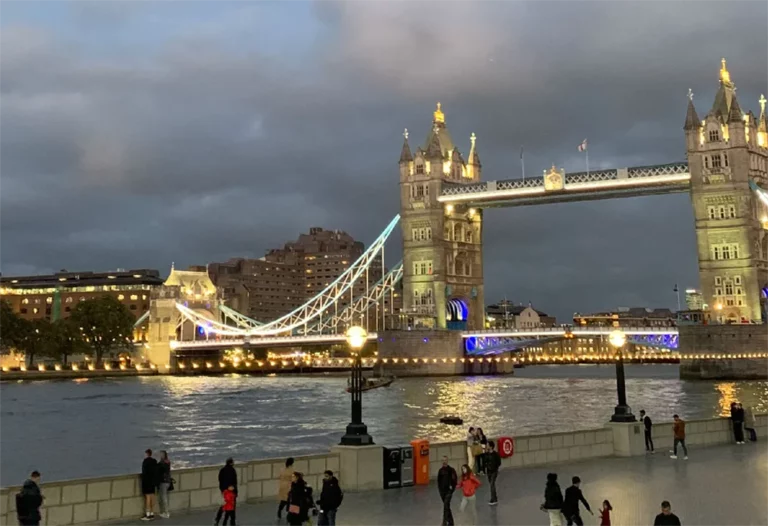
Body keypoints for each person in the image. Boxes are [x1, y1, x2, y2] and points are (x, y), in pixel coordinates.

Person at [214, 458, 238, 526]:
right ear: (231, 463)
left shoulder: (222, 470)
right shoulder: (232, 470)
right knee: (231, 509)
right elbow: (234, 482)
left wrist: (222, 490)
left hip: (224, 492)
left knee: (223, 507)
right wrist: (235, 492)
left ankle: (217, 520)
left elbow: (220, 480)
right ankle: (231, 523)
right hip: (231, 493)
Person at [437, 456, 458, 526]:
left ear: (447, 461)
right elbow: (439, 481)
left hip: (449, 492)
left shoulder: (451, 470)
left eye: (445, 460)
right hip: (442, 492)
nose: (444, 461)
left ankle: (444, 522)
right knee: (447, 506)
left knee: (446, 506)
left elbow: (455, 480)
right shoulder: (440, 471)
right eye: (443, 460)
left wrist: (452, 489)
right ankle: (451, 522)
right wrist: (440, 491)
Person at [140, 449, 158, 521]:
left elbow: (144, 472)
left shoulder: (145, 462)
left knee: (147, 498)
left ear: (147, 454)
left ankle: (147, 514)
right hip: (153, 482)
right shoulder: (154, 461)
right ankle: (152, 513)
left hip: (147, 482)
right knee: (152, 497)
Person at [485, 440, 501, 505]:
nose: (486, 446)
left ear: (491, 446)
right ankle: (495, 498)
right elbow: (485, 461)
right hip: (489, 471)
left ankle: (493, 499)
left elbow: (499, 462)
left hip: (494, 471)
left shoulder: (496, 454)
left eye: (488, 445)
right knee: (492, 485)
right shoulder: (486, 454)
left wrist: (495, 467)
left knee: (492, 484)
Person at [157, 450, 172, 519]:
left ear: (163, 455)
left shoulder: (162, 463)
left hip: (163, 482)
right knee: (164, 497)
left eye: (161, 454)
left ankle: (166, 513)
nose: (160, 455)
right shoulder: (168, 462)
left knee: (163, 497)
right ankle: (165, 512)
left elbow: (159, 470)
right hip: (168, 481)